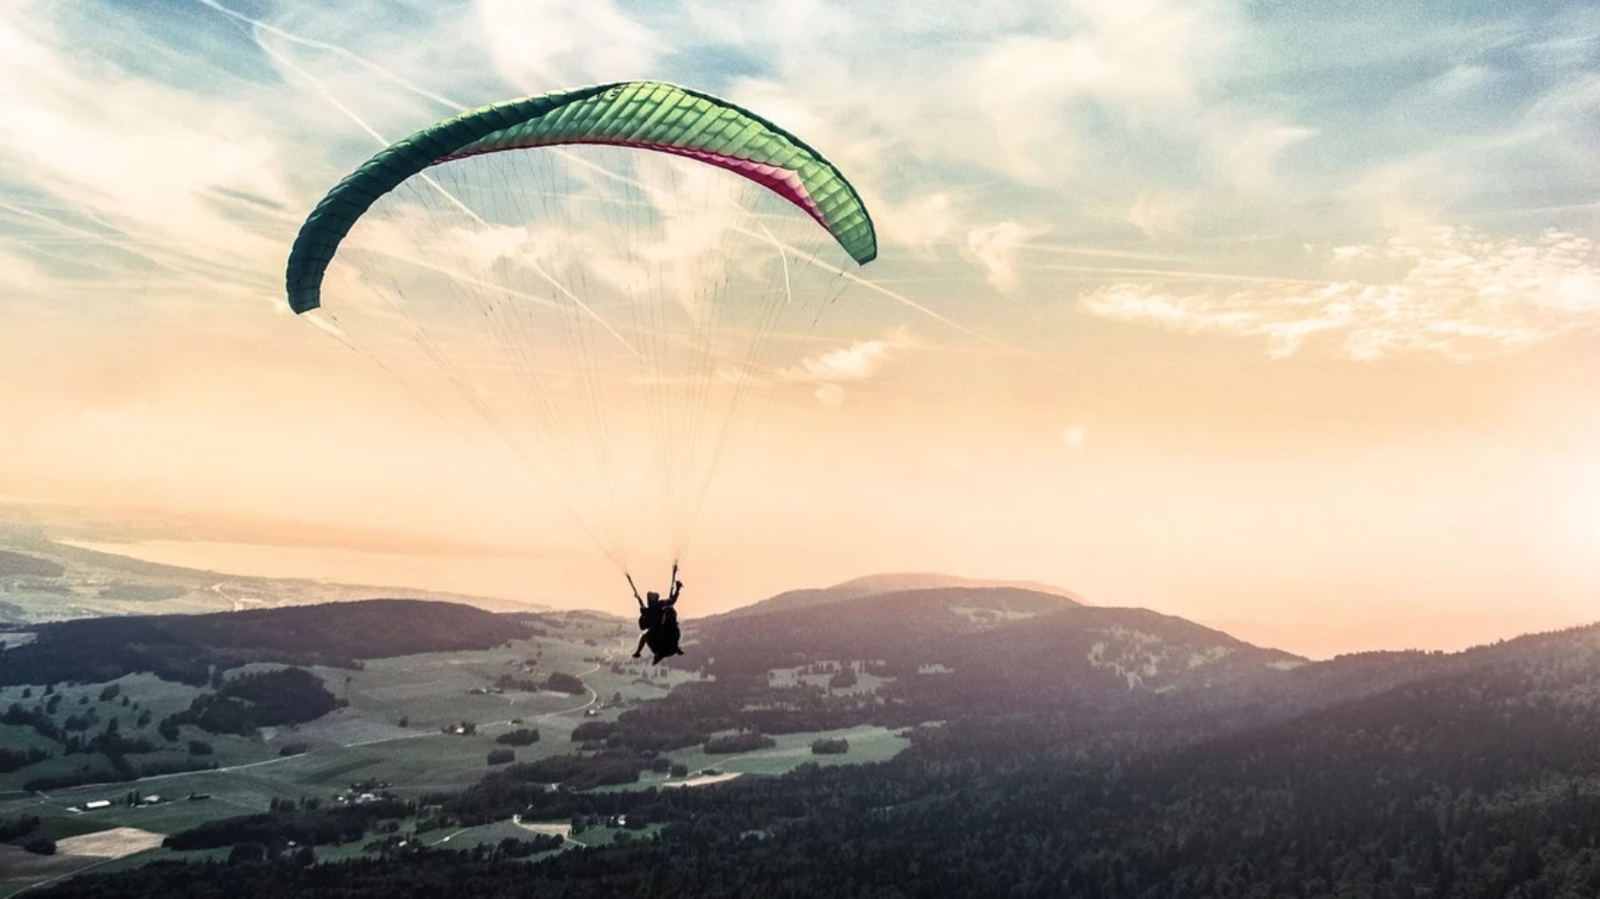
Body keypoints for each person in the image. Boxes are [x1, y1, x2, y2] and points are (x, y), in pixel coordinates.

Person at [630, 572, 684, 664]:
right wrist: (677, 590)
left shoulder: (649, 611)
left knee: (645, 636)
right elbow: (672, 600)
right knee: (667, 629)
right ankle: (676, 648)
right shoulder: (661, 605)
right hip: (669, 639)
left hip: (659, 640)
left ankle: (638, 652)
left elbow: (643, 625)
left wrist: (642, 610)